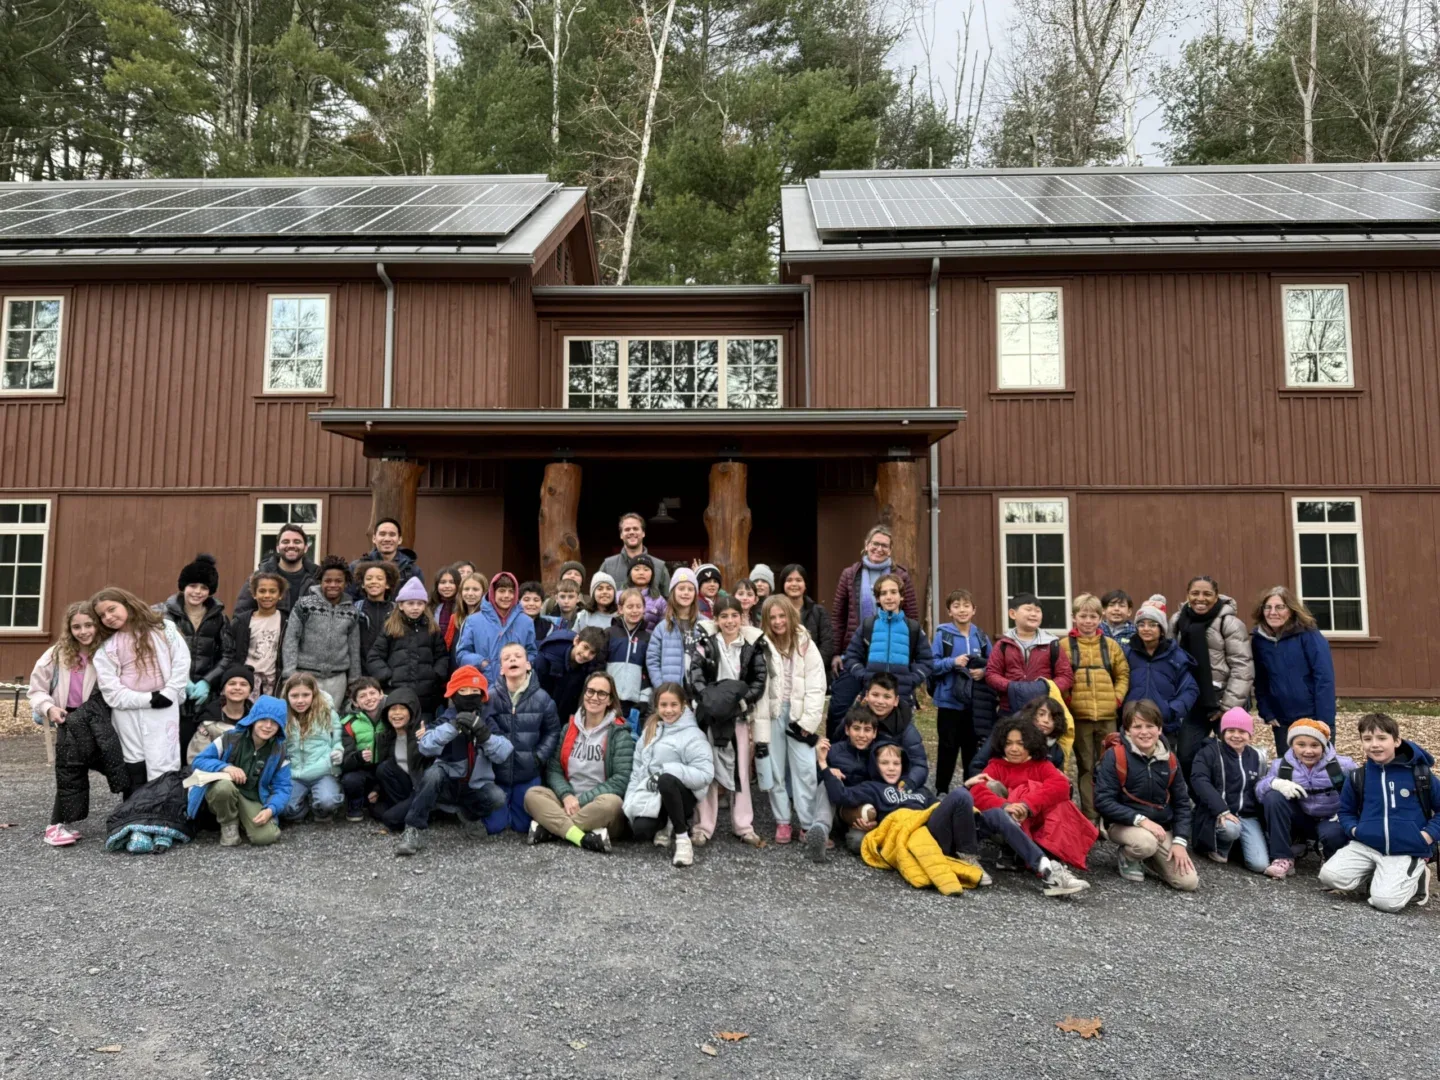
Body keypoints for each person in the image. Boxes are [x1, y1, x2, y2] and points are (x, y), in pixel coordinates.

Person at [1319, 713, 1439, 912]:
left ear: (1397, 741)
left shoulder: (1420, 774)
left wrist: (1426, 836)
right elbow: (1346, 811)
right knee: (1329, 876)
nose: (1374, 744)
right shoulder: (1359, 775)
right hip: (1367, 844)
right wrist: (1356, 831)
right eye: (1367, 739)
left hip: (1406, 847)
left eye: (1382, 738)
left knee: (1386, 903)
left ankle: (1419, 877)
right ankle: (1379, 873)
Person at [964, 716, 1096, 887]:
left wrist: (1027, 805)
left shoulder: (1041, 765)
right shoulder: (996, 766)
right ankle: (1014, 852)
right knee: (991, 786)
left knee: (1060, 801)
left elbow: (1061, 785)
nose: (1014, 749)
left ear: (1031, 744)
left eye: (1020, 743)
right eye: (1009, 743)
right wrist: (1006, 806)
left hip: (1038, 824)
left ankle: (1050, 859)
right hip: (1007, 825)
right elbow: (977, 791)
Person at [391, 669, 509, 854]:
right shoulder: (446, 716)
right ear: (454, 695)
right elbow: (425, 746)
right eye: (463, 691)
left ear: (483, 695)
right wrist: (452, 727)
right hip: (446, 784)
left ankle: (469, 816)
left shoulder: (488, 718)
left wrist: (485, 736)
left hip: (474, 786)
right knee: (432, 774)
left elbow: (504, 752)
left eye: (474, 691)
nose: (469, 695)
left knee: (498, 797)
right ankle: (413, 830)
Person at [753, 594, 831, 860]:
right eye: (772, 617)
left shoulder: (805, 643)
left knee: (805, 770)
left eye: (781, 615)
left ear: (790, 615)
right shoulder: (761, 644)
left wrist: (809, 721)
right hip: (771, 713)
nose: (777, 621)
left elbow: (817, 684)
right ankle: (782, 821)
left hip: (798, 715)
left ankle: (808, 825)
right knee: (774, 769)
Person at [688, 595, 768, 847]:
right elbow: (695, 673)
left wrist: (743, 702)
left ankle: (743, 825)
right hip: (711, 715)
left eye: (734, 615)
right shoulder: (706, 644)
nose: (730, 621)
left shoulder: (751, 645)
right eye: (724, 616)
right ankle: (703, 826)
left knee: (741, 770)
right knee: (708, 769)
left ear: (742, 617)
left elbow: (759, 678)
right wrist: (708, 701)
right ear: (716, 619)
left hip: (738, 715)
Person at [31, 601, 114, 846]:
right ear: (69, 629)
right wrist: (49, 707)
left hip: (99, 720)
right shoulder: (56, 654)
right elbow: (36, 690)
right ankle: (56, 825)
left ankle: (134, 814)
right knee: (70, 769)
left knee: (119, 765)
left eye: (89, 625)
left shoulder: (107, 652)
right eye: (76, 627)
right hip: (67, 717)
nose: (84, 631)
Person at [1093, 699, 1198, 891]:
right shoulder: (1115, 756)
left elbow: (1182, 803)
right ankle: (1129, 855)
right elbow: (1103, 800)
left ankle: (1151, 859)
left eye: (1150, 726)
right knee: (1145, 843)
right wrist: (1141, 820)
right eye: (1137, 726)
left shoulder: (1170, 760)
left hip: (1160, 827)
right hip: (1123, 823)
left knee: (1188, 882)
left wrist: (1180, 841)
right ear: (1127, 731)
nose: (1144, 732)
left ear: (1159, 729)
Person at [524, 671, 635, 852]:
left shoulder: (619, 733)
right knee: (532, 794)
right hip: (567, 800)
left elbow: (621, 780)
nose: (594, 697)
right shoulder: (569, 727)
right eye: (590, 691)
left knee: (612, 804)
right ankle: (584, 837)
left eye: (602, 693)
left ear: (610, 700)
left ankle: (550, 828)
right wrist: (567, 796)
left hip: (597, 804)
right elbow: (554, 769)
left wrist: (580, 801)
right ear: (584, 694)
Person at [92, 587, 190, 789]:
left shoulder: (163, 630)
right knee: (135, 761)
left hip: (164, 706)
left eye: (112, 609)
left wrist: (169, 692)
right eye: (102, 615)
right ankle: (135, 811)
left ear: (127, 604)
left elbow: (182, 661)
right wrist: (147, 699)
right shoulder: (107, 648)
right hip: (128, 712)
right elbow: (110, 688)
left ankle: (164, 810)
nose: (108, 617)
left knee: (165, 761)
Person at [829, 528, 920, 723]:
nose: (879, 549)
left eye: (884, 545)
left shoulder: (901, 576)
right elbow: (838, 616)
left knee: (890, 712)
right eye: (875, 544)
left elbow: (912, 617)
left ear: (891, 549)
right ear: (866, 545)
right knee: (840, 708)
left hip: (891, 655)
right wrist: (836, 653)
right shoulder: (850, 574)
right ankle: (836, 751)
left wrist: (911, 663)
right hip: (855, 652)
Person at [1170, 576, 1254, 778]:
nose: (1201, 598)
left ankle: (1236, 802)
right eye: (1195, 593)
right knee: (1185, 756)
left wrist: (1227, 707)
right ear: (1187, 595)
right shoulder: (1177, 621)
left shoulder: (1230, 623)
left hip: (1224, 700)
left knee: (1233, 755)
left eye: (1207, 594)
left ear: (1216, 597)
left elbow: (1242, 667)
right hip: (1192, 701)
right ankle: (1200, 801)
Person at [622, 683, 714, 867]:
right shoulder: (651, 730)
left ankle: (682, 839)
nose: (668, 710)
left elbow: (705, 774)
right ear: (657, 706)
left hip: (682, 796)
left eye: (674, 705)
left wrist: (667, 770)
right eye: (663, 705)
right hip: (653, 794)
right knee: (640, 831)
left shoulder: (693, 735)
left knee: (666, 780)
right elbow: (637, 769)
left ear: (683, 706)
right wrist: (629, 801)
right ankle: (665, 824)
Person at [1255, 717, 1356, 878]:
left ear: (1323, 746)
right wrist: (1275, 783)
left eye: (1314, 745)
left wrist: (1349, 810)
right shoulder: (1281, 766)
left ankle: (1330, 856)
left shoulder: (1343, 766)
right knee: (1272, 797)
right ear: (1292, 745)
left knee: (1333, 835)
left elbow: (1360, 789)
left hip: (1331, 818)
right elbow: (1259, 791)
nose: (1308, 751)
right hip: (1300, 817)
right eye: (1301, 745)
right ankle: (1282, 857)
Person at [187, 694, 291, 848]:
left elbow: (283, 788)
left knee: (266, 837)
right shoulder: (230, 737)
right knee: (224, 787)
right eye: (263, 719)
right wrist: (226, 767)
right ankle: (228, 824)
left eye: (274, 723)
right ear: (253, 719)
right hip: (223, 790)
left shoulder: (279, 751)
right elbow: (199, 761)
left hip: (252, 796)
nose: (268, 726)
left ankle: (243, 820)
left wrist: (271, 809)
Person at [481, 642, 561, 834]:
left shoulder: (542, 698)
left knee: (523, 826)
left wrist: (538, 757)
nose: (512, 659)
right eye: (507, 658)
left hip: (528, 771)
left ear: (528, 665)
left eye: (518, 656)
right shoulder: (489, 698)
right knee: (494, 827)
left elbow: (553, 731)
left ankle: (515, 805)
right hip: (497, 773)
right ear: (501, 669)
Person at [1065, 593, 1130, 824]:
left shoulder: (1110, 646)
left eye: (1093, 616)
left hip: (1107, 716)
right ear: (1074, 617)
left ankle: (1109, 815)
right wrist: (1069, 702)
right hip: (1079, 717)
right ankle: (1090, 817)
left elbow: (1123, 674)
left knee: (1110, 766)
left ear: (1099, 618)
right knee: (1086, 766)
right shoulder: (1064, 646)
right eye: (1083, 616)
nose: (1088, 621)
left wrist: (1117, 699)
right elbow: (1060, 678)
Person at [839, 573, 933, 730]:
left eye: (893, 592)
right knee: (867, 740)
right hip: (872, 698)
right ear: (877, 599)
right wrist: (864, 676)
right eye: (883, 593)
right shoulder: (868, 626)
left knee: (901, 744)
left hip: (901, 698)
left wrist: (911, 680)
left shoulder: (912, 628)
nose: (889, 597)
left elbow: (927, 661)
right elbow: (850, 657)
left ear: (901, 596)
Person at [161, 553, 229, 766]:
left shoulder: (218, 617)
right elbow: (159, 654)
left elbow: (228, 654)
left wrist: (208, 681)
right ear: (183, 586)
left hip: (204, 697)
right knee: (171, 747)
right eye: (193, 585)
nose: (198, 592)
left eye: (204, 588)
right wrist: (182, 680)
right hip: (172, 692)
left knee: (199, 748)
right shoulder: (165, 615)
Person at [1251, 586, 1336, 753]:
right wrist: (1267, 712)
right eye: (1267, 607)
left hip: (1312, 715)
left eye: (1279, 607)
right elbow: (1260, 680)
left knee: (1320, 769)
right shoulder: (1260, 640)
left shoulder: (1308, 634)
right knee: (1289, 771)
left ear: (1291, 609)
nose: (1273, 612)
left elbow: (1324, 677)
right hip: (1282, 720)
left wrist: (1324, 720)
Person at [928, 587, 993, 793]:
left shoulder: (981, 636)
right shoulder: (943, 635)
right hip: (948, 700)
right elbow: (932, 664)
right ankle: (941, 789)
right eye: (956, 606)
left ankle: (971, 790)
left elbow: (993, 665)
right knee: (947, 747)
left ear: (974, 610)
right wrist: (953, 662)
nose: (962, 610)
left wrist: (982, 672)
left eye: (966, 606)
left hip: (974, 703)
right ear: (949, 611)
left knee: (971, 748)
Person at [1189, 707, 1270, 874]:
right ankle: (1220, 847)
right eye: (1230, 730)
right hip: (1218, 814)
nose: (1236, 735)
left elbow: (1261, 785)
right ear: (1222, 732)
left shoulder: (1256, 756)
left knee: (1259, 865)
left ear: (1250, 734)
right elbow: (1199, 780)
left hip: (1247, 815)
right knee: (1231, 829)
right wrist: (1221, 810)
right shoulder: (1209, 752)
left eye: (1242, 731)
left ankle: (1238, 846)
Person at [366, 576, 451, 720]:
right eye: (410, 603)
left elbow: (442, 656)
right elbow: (374, 657)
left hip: (426, 697)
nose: (415, 607)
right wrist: (388, 677)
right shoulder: (390, 628)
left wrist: (435, 675)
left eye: (419, 603)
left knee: (423, 734)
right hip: (396, 694)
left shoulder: (432, 629)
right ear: (401, 605)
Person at [281, 556, 363, 707]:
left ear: (346, 583)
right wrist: (290, 674)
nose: (333, 585)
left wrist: (354, 680)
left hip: (337, 678)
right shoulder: (304, 605)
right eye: (328, 581)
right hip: (306, 675)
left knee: (330, 721)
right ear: (320, 581)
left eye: (338, 581)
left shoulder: (352, 611)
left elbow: (354, 648)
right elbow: (291, 639)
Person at [984, 592, 1074, 717]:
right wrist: (1012, 687)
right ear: (1012, 614)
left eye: (1038, 610)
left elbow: (1066, 676)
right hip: (1009, 709)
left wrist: (1045, 688)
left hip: (1044, 711)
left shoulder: (1052, 644)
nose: (1034, 614)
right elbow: (991, 674)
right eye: (1028, 609)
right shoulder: (1003, 644)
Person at [1122, 597, 1199, 742]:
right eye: (1141, 624)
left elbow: (1190, 689)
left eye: (1152, 625)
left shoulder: (1175, 655)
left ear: (1162, 629)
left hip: (1165, 726)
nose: (1146, 629)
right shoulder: (1127, 653)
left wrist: (1172, 710)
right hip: (1132, 724)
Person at [277, 672, 343, 823]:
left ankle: (319, 809)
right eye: (294, 696)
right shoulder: (282, 716)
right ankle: (305, 806)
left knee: (328, 803)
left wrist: (338, 751)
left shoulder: (327, 713)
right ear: (287, 696)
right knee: (284, 809)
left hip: (323, 771)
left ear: (314, 694)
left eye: (305, 695)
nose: (300, 700)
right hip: (294, 774)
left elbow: (337, 739)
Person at [818, 707, 882, 852]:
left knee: (857, 843)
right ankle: (821, 828)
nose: (861, 734)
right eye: (856, 728)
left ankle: (845, 834)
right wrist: (825, 770)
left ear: (874, 733)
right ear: (847, 730)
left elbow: (883, 790)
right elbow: (812, 780)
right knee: (829, 779)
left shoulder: (878, 756)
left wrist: (875, 821)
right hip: (835, 809)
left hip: (860, 812)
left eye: (867, 730)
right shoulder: (833, 751)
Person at [456, 571, 537, 676]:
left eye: (511, 591)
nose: (507, 596)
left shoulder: (526, 622)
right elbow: (462, 654)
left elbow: (532, 653)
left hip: (516, 685)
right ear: (493, 593)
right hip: (484, 684)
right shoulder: (473, 621)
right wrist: (482, 663)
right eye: (502, 591)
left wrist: (520, 665)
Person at [223, 570, 287, 699]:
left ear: (280, 595)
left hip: (274, 684)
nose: (267, 595)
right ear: (254, 594)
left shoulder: (286, 621)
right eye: (262, 591)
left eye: (272, 591)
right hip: (247, 682)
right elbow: (232, 653)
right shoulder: (241, 622)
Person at [861, 673, 930, 791]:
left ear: (896, 701)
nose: (880, 701)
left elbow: (919, 764)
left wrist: (910, 782)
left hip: (894, 783)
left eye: (887, 697)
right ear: (867, 695)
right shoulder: (856, 719)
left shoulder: (906, 729)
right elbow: (840, 748)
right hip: (862, 782)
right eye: (875, 695)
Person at [233, 523, 317, 618]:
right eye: (285, 542)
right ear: (277, 548)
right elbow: (240, 616)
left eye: (297, 542)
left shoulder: (317, 579)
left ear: (305, 548)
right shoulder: (259, 577)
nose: (291, 545)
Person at [535, 624, 608, 724]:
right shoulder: (547, 657)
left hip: (567, 718)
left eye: (592, 652)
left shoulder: (591, 668)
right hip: (541, 715)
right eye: (585, 647)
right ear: (576, 641)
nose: (586, 655)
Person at [337, 676, 386, 820]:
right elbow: (345, 761)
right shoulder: (348, 724)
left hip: (384, 767)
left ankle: (378, 796)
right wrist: (358, 757)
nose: (369, 698)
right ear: (355, 702)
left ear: (381, 694)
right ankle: (355, 804)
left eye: (372, 693)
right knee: (350, 779)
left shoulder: (390, 716)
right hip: (362, 769)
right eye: (362, 696)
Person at [646, 568, 701, 691]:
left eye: (690, 589)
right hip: (671, 693)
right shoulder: (662, 627)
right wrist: (662, 688)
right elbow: (652, 660)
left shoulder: (705, 624)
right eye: (681, 589)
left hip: (699, 693)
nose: (686, 593)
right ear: (673, 592)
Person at [777, 564, 835, 678]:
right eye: (789, 580)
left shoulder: (819, 612)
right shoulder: (775, 613)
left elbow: (827, 646)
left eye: (798, 580)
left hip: (814, 673)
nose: (794, 584)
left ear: (805, 585)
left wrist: (810, 668)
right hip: (783, 674)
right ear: (783, 585)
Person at [188, 666, 256, 763]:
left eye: (243, 684)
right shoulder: (208, 721)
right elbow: (196, 759)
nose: (237, 688)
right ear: (223, 690)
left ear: (250, 691)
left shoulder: (256, 722)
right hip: (213, 775)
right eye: (232, 684)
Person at [607, 588, 653, 723]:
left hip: (634, 701)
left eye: (638, 606)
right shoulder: (609, 633)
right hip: (609, 698)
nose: (634, 610)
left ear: (644, 609)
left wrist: (645, 698)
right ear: (620, 609)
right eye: (630, 606)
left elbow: (648, 670)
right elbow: (599, 665)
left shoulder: (647, 638)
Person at [347, 517, 422, 599]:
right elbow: (349, 599)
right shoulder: (357, 567)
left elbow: (418, 602)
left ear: (399, 540)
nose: (387, 539)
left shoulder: (412, 570)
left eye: (392, 534)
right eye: (382, 534)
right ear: (374, 538)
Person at [600, 512, 672, 596]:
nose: (631, 532)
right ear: (621, 535)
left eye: (635, 529)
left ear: (643, 533)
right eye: (627, 529)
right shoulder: (608, 566)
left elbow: (669, 601)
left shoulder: (659, 566)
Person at [353, 560, 398, 671]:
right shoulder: (355, 609)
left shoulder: (396, 611)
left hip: (389, 671)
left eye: (379, 579)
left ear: (387, 584)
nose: (373, 582)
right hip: (362, 670)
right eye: (369, 579)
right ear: (363, 584)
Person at [626, 555, 667, 631]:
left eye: (646, 569)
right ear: (630, 573)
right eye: (637, 569)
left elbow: (664, 630)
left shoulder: (660, 601)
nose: (641, 573)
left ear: (652, 575)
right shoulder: (619, 596)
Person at [450, 572, 488, 653]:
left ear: (484, 592)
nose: (470, 593)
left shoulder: (488, 619)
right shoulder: (455, 618)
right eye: (466, 589)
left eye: (475, 589)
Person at [432, 565, 461, 649]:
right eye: (443, 582)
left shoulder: (462, 606)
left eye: (452, 582)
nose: (447, 586)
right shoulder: (430, 605)